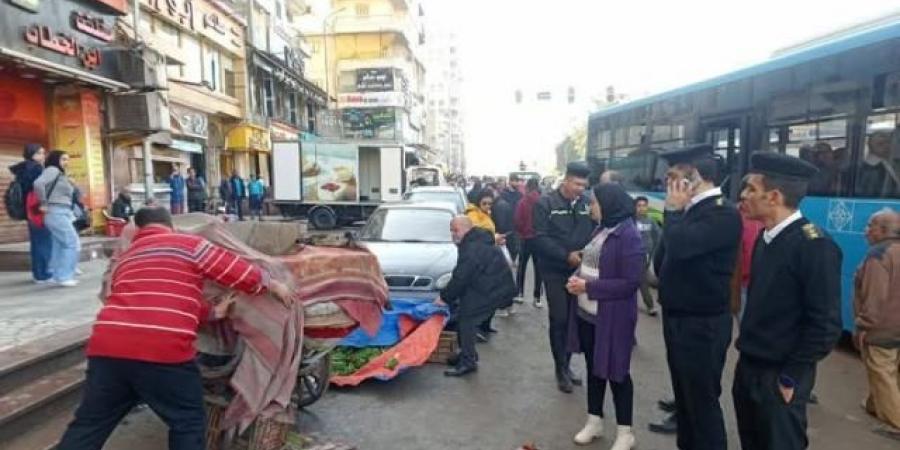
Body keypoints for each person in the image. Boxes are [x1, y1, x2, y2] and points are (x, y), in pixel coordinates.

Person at [56, 206, 294, 450]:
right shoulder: (188, 243)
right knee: (188, 422)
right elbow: (230, 267)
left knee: (90, 424)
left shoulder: (128, 257)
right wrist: (271, 284)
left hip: (107, 348)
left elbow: (162, 296)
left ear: (138, 230)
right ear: (170, 226)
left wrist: (212, 312)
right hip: (161, 349)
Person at [733, 152, 843, 450]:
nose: (743, 195)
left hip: (780, 376)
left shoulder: (814, 245)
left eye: (751, 189)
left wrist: (791, 377)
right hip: (750, 368)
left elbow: (826, 325)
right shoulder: (765, 238)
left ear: (774, 196)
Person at [652, 144, 741, 450]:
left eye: (673, 178)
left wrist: (673, 211)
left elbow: (681, 248)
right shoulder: (689, 210)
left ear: (696, 178)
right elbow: (663, 257)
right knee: (685, 402)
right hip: (677, 317)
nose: (668, 185)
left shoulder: (723, 213)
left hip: (702, 324)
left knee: (701, 405)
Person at [565, 183, 643, 449]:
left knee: (617, 372)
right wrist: (576, 278)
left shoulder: (629, 236)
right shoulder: (601, 230)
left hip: (613, 318)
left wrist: (588, 287)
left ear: (610, 204)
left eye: (595, 202)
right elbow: (590, 265)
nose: (591, 207)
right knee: (594, 369)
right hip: (588, 315)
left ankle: (625, 432)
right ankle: (594, 421)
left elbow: (630, 283)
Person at [532, 161, 595, 393]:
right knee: (559, 319)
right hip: (554, 271)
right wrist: (564, 255)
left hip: (581, 271)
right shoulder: (545, 203)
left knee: (574, 321)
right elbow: (539, 238)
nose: (581, 188)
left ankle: (567, 366)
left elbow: (596, 233)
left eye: (584, 185)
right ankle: (560, 369)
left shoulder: (588, 204)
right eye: (577, 184)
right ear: (566, 180)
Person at [437, 216, 517, 377]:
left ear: (466, 228)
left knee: (466, 319)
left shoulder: (472, 247)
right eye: (451, 230)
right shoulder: (474, 240)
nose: (453, 234)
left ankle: (468, 362)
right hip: (489, 285)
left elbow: (461, 276)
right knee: (463, 314)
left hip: (493, 288)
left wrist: (444, 298)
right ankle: (468, 354)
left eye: (455, 230)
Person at [854, 208, 900, 439]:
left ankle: (896, 423)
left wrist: (863, 325)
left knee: (881, 370)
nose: (866, 230)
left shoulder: (878, 255)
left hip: (883, 328)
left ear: (882, 230)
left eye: (870, 225)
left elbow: (874, 297)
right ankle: (874, 404)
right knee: (891, 370)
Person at [33, 150, 82, 288]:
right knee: (71, 242)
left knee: (59, 244)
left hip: (61, 212)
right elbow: (38, 184)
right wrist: (43, 202)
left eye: (67, 159)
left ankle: (56, 274)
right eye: (63, 159)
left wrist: (72, 184)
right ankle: (64, 276)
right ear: (55, 160)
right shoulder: (52, 170)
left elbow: (76, 195)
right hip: (56, 212)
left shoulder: (61, 174)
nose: (66, 162)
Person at [9, 143, 52, 283]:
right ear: (31, 154)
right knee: (44, 241)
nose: (43, 156)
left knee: (37, 242)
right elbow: (41, 189)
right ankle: (43, 274)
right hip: (38, 208)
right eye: (39, 153)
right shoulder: (36, 169)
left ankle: (38, 273)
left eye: (43, 153)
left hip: (30, 209)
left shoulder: (23, 169)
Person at [514, 178, 544, 308]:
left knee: (522, 266)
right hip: (539, 239)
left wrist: (522, 231)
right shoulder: (543, 201)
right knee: (539, 268)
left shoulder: (522, 202)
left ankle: (520, 293)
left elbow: (517, 220)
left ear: (527, 187)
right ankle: (537, 297)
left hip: (525, 238)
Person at [633, 196, 660, 316]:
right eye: (639, 206)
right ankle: (650, 305)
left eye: (644, 205)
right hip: (633, 256)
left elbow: (657, 237)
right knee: (642, 280)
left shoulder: (651, 221)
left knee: (643, 279)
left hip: (646, 257)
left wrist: (653, 252)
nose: (642, 208)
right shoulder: (631, 221)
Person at [857, 130, 900, 198]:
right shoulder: (869, 168)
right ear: (871, 146)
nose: (886, 146)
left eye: (888, 142)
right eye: (880, 144)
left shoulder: (890, 164)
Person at [501, 174, 524, 264]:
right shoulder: (504, 194)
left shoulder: (520, 195)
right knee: (509, 244)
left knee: (516, 245)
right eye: (515, 181)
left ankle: (513, 259)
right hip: (507, 224)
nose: (517, 183)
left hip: (517, 224)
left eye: (517, 181)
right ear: (510, 181)